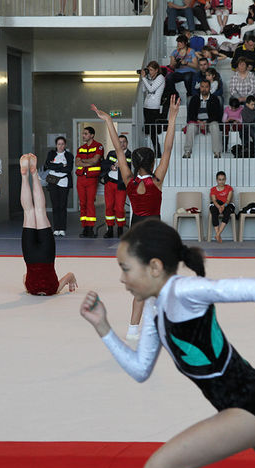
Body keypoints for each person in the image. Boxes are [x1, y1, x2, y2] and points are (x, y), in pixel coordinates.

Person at [79, 220, 255, 468]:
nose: (122, 278)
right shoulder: (154, 307)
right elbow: (140, 369)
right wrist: (103, 327)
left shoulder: (184, 291)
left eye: (126, 268)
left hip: (253, 404)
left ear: (155, 267)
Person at [91, 95, 180, 340]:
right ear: (152, 163)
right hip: (155, 234)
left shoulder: (129, 181)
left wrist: (109, 120)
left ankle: (133, 329)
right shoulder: (157, 181)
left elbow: (118, 150)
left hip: (135, 234)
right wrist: (172, 118)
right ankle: (166, 325)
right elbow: (169, 148)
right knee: (162, 279)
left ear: (135, 163)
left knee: (142, 284)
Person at [19, 153, 78, 296]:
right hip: (30, 256)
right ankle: (26, 176)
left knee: (39, 211)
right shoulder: (30, 288)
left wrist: (72, 280)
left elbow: (69, 275)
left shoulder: (53, 289)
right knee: (29, 211)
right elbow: (24, 277)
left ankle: (32, 175)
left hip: (47, 254)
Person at [100, 135, 132, 238]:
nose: (122, 144)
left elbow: (130, 169)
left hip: (121, 184)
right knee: (109, 207)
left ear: (127, 143)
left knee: (119, 208)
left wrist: (122, 164)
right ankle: (109, 229)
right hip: (109, 183)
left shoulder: (130, 155)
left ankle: (120, 229)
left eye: (124, 142)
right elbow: (104, 164)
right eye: (120, 142)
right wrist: (111, 166)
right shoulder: (111, 153)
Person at [75, 126, 104, 238]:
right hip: (81, 179)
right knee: (82, 203)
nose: (83, 135)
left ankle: (90, 228)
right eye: (83, 133)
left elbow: (95, 161)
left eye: (86, 133)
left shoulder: (98, 146)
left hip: (91, 179)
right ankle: (85, 227)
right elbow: (76, 163)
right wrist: (88, 162)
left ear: (92, 135)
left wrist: (83, 161)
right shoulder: (80, 148)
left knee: (90, 203)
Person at [184, 79, 223, 159]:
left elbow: (217, 115)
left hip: (209, 123)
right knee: (191, 126)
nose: (204, 89)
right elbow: (190, 114)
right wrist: (198, 122)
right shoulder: (194, 98)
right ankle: (187, 152)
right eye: (202, 87)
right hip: (197, 123)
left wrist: (206, 122)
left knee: (215, 125)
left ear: (209, 88)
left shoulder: (214, 99)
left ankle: (217, 152)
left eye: (206, 87)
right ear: (200, 88)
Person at [141, 61, 165, 157]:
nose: (149, 72)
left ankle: (158, 152)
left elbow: (151, 89)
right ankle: (151, 151)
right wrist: (145, 78)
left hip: (154, 107)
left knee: (153, 131)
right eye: (148, 70)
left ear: (156, 70)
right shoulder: (150, 78)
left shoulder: (160, 78)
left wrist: (143, 78)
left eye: (151, 70)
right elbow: (144, 89)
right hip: (146, 106)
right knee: (148, 131)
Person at [209, 171, 235, 242]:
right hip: (217, 204)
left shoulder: (229, 188)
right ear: (217, 180)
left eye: (223, 179)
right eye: (219, 180)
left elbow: (228, 200)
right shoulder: (213, 189)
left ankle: (218, 234)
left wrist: (223, 206)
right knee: (213, 211)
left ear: (225, 179)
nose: (221, 181)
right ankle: (218, 236)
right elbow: (214, 200)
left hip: (226, 204)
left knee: (227, 212)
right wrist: (219, 207)